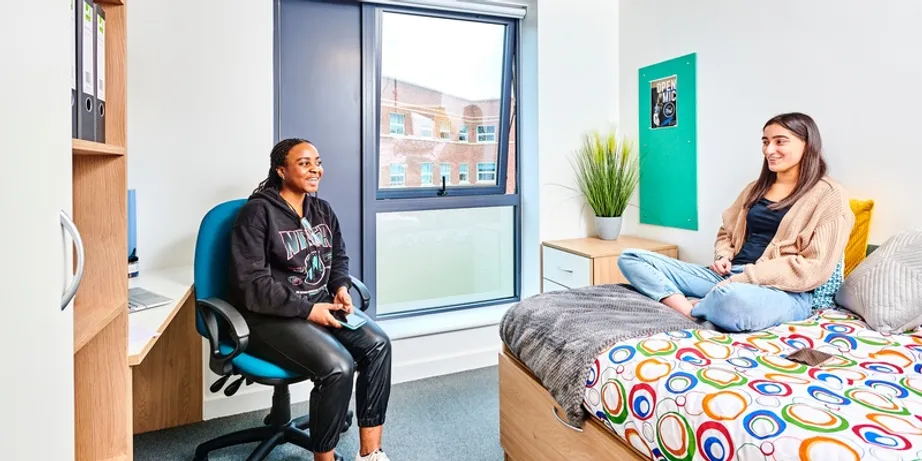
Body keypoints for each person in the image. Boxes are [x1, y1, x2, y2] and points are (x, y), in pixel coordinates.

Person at [228, 138, 392, 461]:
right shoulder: (257, 213)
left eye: (317, 161)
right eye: (304, 163)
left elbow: (338, 258)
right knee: (338, 367)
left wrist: (341, 288)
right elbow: (252, 286)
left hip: (320, 305)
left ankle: (370, 454)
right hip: (270, 318)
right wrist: (308, 310)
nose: (315, 168)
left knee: (378, 345)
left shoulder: (321, 210)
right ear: (281, 169)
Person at [618, 112, 854, 332]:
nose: (769, 149)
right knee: (631, 259)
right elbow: (726, 233)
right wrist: (723, 256)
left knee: (732, 299)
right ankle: (689, 311)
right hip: (729, 276)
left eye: (780, 141)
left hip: (784, 291)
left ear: (808, 144)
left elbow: (815, 267)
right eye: (765, 141)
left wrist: (746, 279)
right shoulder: (755, 188)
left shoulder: (830, 196)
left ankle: (706, 304)